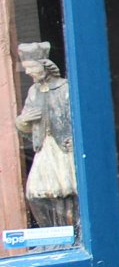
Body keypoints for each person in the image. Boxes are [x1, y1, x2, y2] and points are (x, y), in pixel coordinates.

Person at [14, 42, 76, 228]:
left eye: (31, 67)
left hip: (63, 149)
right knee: (35, 192)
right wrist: (23, 121)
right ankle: (53, 234)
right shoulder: (33, 92)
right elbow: (25, 126)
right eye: (26, 68)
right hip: (44, 148)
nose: (28, 72)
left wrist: (76, 139)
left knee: (67, 192)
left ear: (44, 65)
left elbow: (78, 118)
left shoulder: (65, 88)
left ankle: (73, 232)